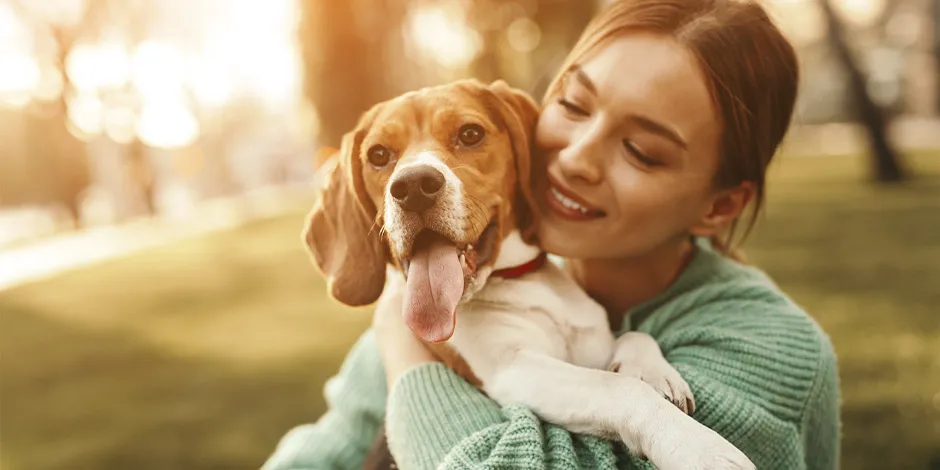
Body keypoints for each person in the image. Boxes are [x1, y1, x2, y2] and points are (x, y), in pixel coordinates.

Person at [262, 0, 841, 468]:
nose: (577, 157)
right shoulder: (441, 290)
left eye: (641, 150)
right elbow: (335, 440)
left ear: (719, 206)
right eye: (572, 104)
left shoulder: (768, 355)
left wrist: (406, 358)